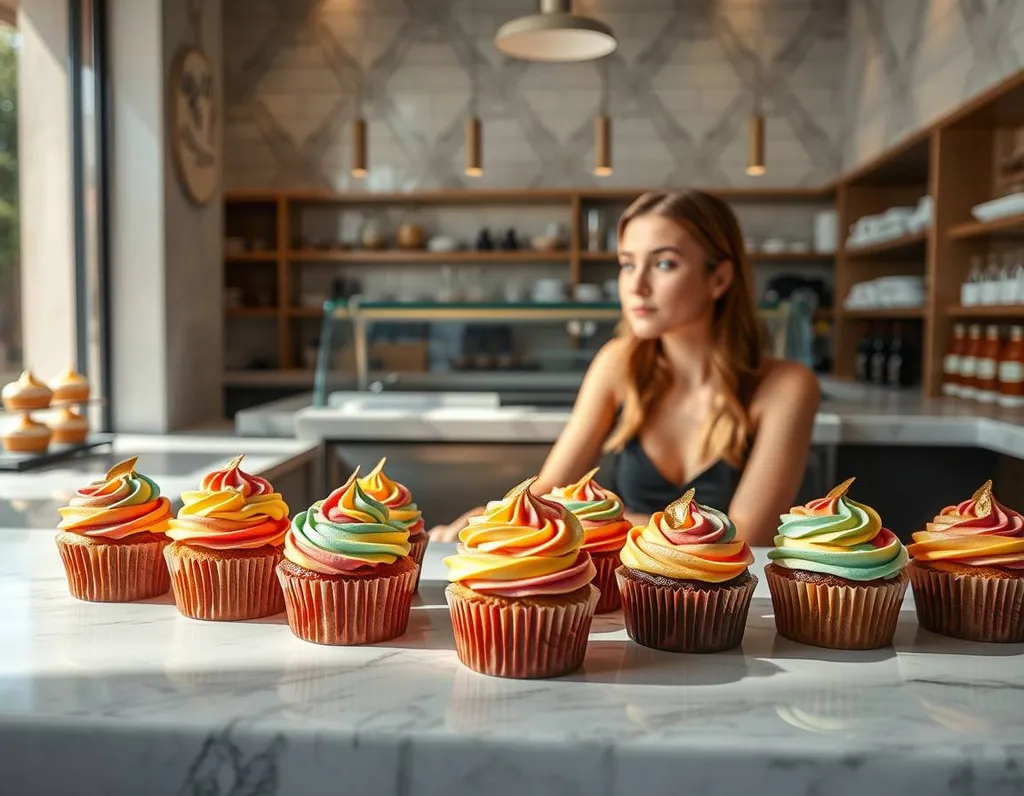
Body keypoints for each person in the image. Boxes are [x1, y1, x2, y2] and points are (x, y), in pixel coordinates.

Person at [430, 189, 819, 546]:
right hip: (627, 600)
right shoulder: (617, 362)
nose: (637, 286)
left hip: (726, 608)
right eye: (628, 264)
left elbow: (745, 536)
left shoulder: (787, 386)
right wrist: (487, 518)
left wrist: (587, 521)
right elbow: (550, 488)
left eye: (664, 264)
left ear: (718, 278)